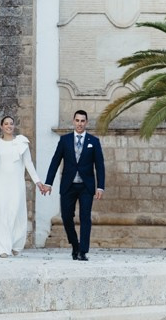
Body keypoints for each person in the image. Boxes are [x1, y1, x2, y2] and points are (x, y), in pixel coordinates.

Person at [0, 114, 47, 257]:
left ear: (14, 126)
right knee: (0, 214)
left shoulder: (22, 143)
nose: (9, 126)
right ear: (1, 126)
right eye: (6, 124)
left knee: (16, 213)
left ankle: (16, 245)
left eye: (11, 123)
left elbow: (29, 164)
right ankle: (2, 249)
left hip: (16, 184)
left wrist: (38, 182)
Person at [43, 109, 105, 261]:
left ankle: (83, 251)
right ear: (73, 121)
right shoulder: (64, 140)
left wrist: (100, 186)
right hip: (68, 185)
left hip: (86, 186)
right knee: (66, 217)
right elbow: (55, 161)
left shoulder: (93, 141)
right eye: (77, 120)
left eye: (82, 121)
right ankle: (75, 245)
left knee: (85, 218)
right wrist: (48, 183)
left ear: (86, 123)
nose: (80, 124)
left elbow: (100, 165)